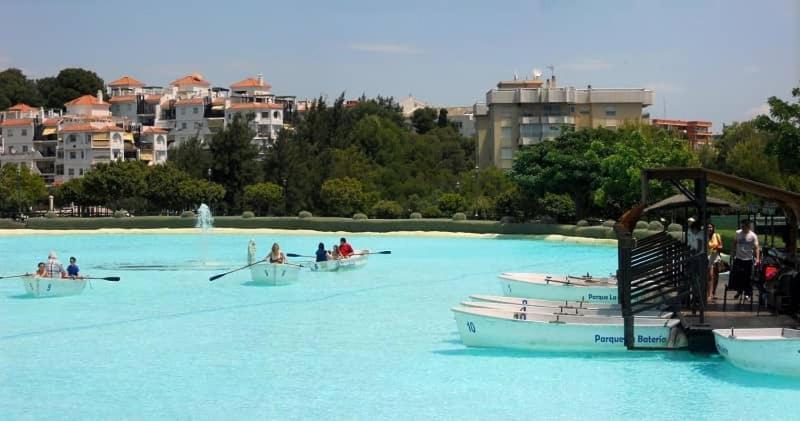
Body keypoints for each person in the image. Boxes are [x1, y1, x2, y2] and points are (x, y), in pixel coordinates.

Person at [730, 220, 760, 301]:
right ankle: (739, 291)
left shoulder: (753, 236)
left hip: (748, 259)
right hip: (739, 258)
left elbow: (757, 248)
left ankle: (747, 293)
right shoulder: (738, 233)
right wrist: (732, 254)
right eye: (742, 226)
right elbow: (734, 243)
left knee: (748, 277)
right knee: (738, 275)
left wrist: (757, 259)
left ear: (748, 227)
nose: (743, 228)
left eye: (744, 226)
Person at [707, 223, 723, 301]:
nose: (709, 229)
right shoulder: (704, 236)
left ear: (713, 228)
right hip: (708, 258)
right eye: (708, 227)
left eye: (710, 227)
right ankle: (709, 294)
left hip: (715, 257)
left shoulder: (717, 235)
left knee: (716, 276)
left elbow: (721, 246)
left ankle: (713, 292)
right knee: (710, 276)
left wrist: (716, 247)